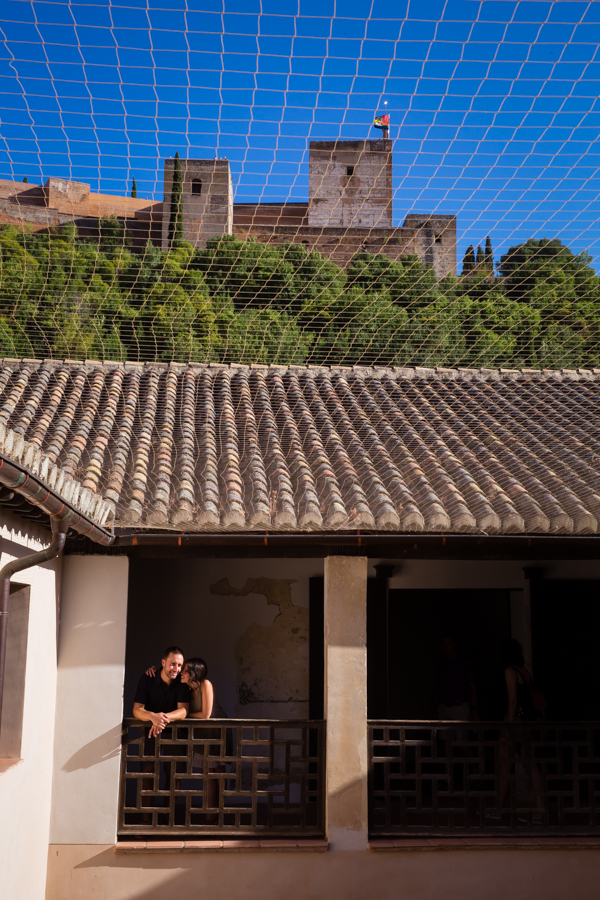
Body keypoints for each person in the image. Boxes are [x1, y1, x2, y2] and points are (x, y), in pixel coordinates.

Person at [133, 646, 190, 816]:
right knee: (147, 773)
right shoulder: (148, 678)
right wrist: (152, 716)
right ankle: (145, 819)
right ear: (163, 663)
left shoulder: (181, 682)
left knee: (174, 775)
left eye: (180, 665)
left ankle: (168, 819)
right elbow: (136, 710)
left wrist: (162, 718)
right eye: (173, 664)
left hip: (174, 733)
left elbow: (183, 711)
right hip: (150, 731)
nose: (176, 669)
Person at [495, 638, 544, 824]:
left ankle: (499, 808)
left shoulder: (510, 671)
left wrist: (508, 725)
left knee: (505, 765)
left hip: (515, 722)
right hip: (527, 722)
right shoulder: (525, 672)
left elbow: (513, 700)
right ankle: (540, 810)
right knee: (531, 766)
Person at [431, 633, 479, 721]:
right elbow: (438, 688)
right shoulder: (442, 665)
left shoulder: (463, 664)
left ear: (455, 644)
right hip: (444, 707)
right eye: (444, 644)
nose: (446, 647)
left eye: (448, 644)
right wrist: (431, 709)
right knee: (444, 733)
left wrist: (474, 709)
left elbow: (472, 686)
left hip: (459, 706)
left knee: (460, 734)